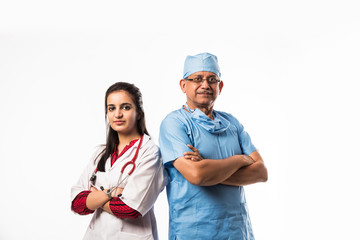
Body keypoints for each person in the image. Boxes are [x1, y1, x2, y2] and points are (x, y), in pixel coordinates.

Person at [159, 52, 268, 240]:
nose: (205, 85)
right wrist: (240, 159)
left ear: (220, 86)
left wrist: (209, 168)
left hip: (236, 230)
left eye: (212, 79)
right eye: (197, 79)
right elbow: (197, 174)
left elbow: (261, 173)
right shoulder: (174, 123)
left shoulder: (232, 123)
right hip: (193, 231)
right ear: (183, 85)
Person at [71, 82, 167, 240]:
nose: (117, 114)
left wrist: (96, 197)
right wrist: (112, 192)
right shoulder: (100, 153)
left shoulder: (150, 153)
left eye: (126, 107)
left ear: (139, 112)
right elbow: (78, 204)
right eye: (111, 108)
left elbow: (130, 208)